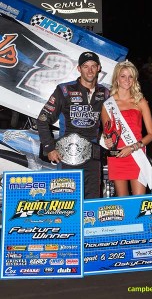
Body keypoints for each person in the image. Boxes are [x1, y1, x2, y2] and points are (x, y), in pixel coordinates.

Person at [37, 51, 110, 199]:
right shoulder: (64, 90)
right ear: (79, 68)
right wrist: (49, 147)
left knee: (92, 201)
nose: (89, 70)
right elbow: (42, 119)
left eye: (93, 66)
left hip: (93, 158)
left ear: (99, 68)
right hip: (68, 156)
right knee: (67, 202)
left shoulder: (106, 93)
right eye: (85, 66)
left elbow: (111, 121)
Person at [101, 61, 152, 197]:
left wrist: (132, 148)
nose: (127, 80)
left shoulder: (140, 102)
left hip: (136, 154)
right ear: (117, 79)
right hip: (117, 156)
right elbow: (106, 133)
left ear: (134, 80)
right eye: (123, 76)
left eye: (130, 77)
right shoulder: (108, 104)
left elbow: (151, 134)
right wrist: (106, 139)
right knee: (123, 201)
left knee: (139, 201)